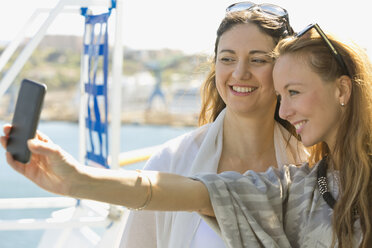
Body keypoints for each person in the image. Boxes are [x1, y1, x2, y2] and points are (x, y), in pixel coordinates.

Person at [120, 2, 307, 247]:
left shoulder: (309, 165)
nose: (240, 73)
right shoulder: (170, 163)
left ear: (283, 70)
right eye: (227, 58)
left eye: (258, 60)